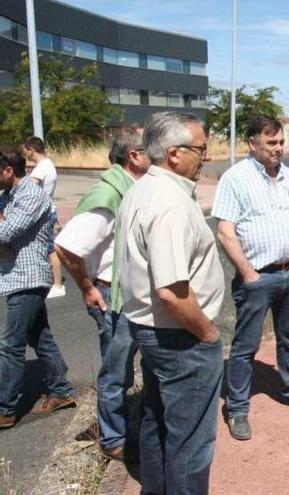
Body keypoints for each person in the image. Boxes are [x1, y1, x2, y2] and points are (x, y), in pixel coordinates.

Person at [116, 112, 224, 493]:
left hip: (155, 333)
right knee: (191, 443)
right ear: (175, 154)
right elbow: (171, 290)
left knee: (157, 423)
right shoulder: (169, 203)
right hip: (182, 338)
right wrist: (208, 334)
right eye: (201, 149)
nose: (206, 157)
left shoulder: (144, 188)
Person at [213, 116, 289, 442]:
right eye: (271, 143)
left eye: (280, 143)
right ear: (252, 143)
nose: (278, 149)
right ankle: (237, 408)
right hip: (258, 278)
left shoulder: (288, 174)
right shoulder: (235, 178)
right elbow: (225, 231)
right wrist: (248, 273)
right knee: (245, 347)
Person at [53, 127, 149, 460]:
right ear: (135, 156)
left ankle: (133, 428)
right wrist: (87, 287)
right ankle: (114, 440)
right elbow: (67, 247)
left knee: (138, 366)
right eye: (154, 147)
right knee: (116, 372)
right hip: (114, 297)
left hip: (138, 296)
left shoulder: (136, 189)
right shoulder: (109, 195)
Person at [0, 146, 76, 430]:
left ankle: (5, 409)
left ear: (9, 170)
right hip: (15, 275)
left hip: (29, 277)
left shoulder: (31, 195)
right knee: (40, 338)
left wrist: (4, 227)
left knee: (10, 345)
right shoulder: (8, 196)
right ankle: (61, 390)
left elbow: (6, 233)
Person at [23, 137, 65, 299]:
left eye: (25, 150)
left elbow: (28, 190)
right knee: (46, 247)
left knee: (50, 249)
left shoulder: (42, 168)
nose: (25, 153)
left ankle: (58, 285)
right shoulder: (49, 165)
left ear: (30, 150)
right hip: (48, 211)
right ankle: (50, 280)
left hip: (43, 214)